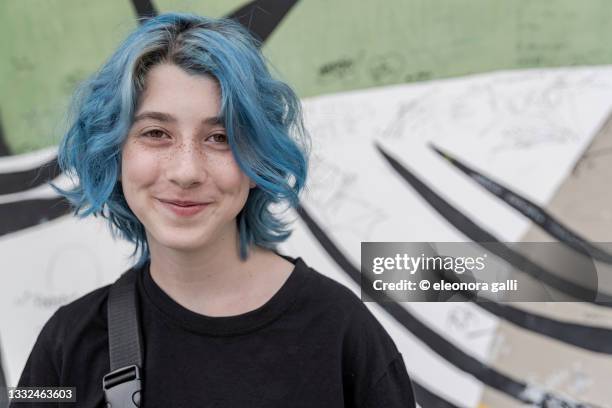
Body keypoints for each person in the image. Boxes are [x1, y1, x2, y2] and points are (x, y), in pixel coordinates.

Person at [12, 12, 416, 407]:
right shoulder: (66, 345)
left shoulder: (342, 331)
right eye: (156, 133)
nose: (186, 171)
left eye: (220, 137)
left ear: (259, 160)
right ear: (115, 153)